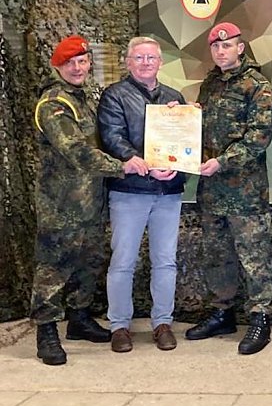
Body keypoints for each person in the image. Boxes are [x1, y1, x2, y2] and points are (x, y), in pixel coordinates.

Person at [31, 35, 148, 365]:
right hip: (61, 205)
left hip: (92, 201)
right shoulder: (54, 103)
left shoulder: (83, 98)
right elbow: (77, 152)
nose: (78, 68)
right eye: (71, 63)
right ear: (58, 66)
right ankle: (46, 330)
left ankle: (79, 318)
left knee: (90, 260)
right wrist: (121, 166)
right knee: (52, 268)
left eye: (83, 61)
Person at [184, 22, 272, 355]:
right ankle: (222, 312)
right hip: (212, 191)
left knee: (254, 256)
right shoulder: (209, 85)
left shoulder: (257, 85)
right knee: (217, 255)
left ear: (241, 47)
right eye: (216, 47)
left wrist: (222, 161)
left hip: (245, 192)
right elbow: (200, 126)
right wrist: (180, 119)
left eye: (228, 46)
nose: (221, 51)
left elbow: (260, 136)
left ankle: (261, 316)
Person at [97, 36, 186, 353]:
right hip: (129, 192)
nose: (146, 62)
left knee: (165, 261)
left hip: (168, 191)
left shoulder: (175, 98)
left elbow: (185, 141)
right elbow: (113, 140)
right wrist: (147, 167)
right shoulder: (114, 96)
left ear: (161, 62)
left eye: (151, 58)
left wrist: (187, 121)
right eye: (139, 57)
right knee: (123, 261)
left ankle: (163, 322)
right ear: (127, 62)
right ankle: (119, 326)